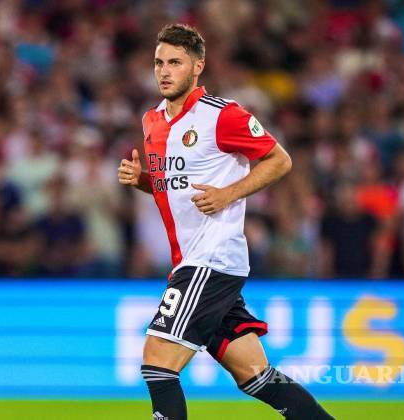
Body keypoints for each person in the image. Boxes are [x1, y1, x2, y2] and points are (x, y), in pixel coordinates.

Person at [118, 24, 334, 420]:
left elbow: (279, 160)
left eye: (175, 62)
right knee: (256, 376)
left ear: (197, 67)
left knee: (157, 361)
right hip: (192, 261)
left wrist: (228, 193)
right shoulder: (152, 121)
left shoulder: (222, 115)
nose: (164, 71)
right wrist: (143, 181)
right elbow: (175, 187)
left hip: (212, 258)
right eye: (159, 63)